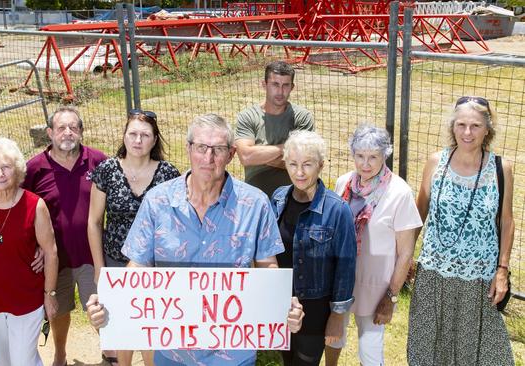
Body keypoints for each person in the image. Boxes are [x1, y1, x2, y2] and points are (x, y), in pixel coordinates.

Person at [87, 113, 305, 366]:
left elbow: (268, 266)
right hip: (172, 351)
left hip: (233, 353)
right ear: (189, 149)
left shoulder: (255, 204)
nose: (208, 158)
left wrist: (281, 304)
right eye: (201, 148)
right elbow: (138, 266)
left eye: (218, 150)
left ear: (232, 154)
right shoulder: (157, 201)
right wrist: (112, 299)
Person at [407, 96, 514, 365]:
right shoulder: (435, 162)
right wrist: (407, 257)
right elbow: (419, 213)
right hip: (434, 274)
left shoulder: (501, 169)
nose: (467, 132)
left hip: (479, 277)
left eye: (475, 125)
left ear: (487, 129)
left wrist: (502, 271)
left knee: (481, 353)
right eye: (461, 124)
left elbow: (507, 221)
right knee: (430, 347)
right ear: (452, 126)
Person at [88, 109, 179, 366]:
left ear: (154, 139)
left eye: (145, 135)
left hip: (154, 266)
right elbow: (94, 222)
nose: (138, 140)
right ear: (124, 136)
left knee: (150, 331)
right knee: (121, 329)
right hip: (116, 262)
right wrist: (99, 268)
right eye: (133, 134)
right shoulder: (107, 170)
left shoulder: (168, 174)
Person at [326, 125, 422, 365]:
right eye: (359, 156)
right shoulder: (343, 183)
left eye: (373, 157)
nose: (365, 164)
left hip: (376, 284)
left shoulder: (400, 192)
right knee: (333, 335)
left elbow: (406, 252)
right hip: (341, 277)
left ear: (384, 156)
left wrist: (391, 297)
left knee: (369, 346)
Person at [23, 106, 107, 366]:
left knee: (101, 309)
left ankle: (110, 355)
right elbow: (23, 213)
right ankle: (60, 353)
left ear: (81, 131)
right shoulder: (34, 168)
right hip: (55, 257)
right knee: (58, 310)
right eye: (61, 128)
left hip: (92, 254)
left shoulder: (98, 161)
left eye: (73, 127)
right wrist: (32, 247)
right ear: (50, 133)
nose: (67, 133)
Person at [271, 131, 356, 366]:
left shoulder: (338, 210)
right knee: (287, 360)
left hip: (315, 309)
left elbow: (346, 267)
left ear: (321, 165)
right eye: (293, 164)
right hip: (281, 303)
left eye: (307, 164)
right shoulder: (278, 199)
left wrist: (338, 316)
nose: (299, 172)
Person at [0, 137, 59, 366]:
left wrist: (49, 295)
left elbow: (50, 252)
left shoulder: (34, 205)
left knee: (23, 361)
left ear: (17, 170)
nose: (0, 174)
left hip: (25, 298)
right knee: (4, 360)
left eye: (6, 167)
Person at [235, 60, 315, 197]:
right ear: (264, 85)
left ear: (292, 87)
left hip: (295, 197)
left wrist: (260, 153)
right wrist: (286, 148)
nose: (280, 91)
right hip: (256, 197)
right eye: (275, 84)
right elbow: (246, 156)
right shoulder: (248, 117)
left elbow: (305, 162)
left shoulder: (302, 117)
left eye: (285, 85)